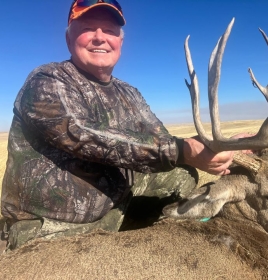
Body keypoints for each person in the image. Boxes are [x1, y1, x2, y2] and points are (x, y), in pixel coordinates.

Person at [1, 0, 235, 250]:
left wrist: (218, 148)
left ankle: (139, 232)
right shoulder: (47, 80)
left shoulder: (129, 92)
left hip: (118, 204)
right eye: (88, 28)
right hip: (56, 226)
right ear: (69, 39)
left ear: (120, 43)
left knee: (181, 174)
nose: (100, 38)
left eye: (110, 31)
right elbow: (83, 134)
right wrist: (182, 150)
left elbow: (161, 140)